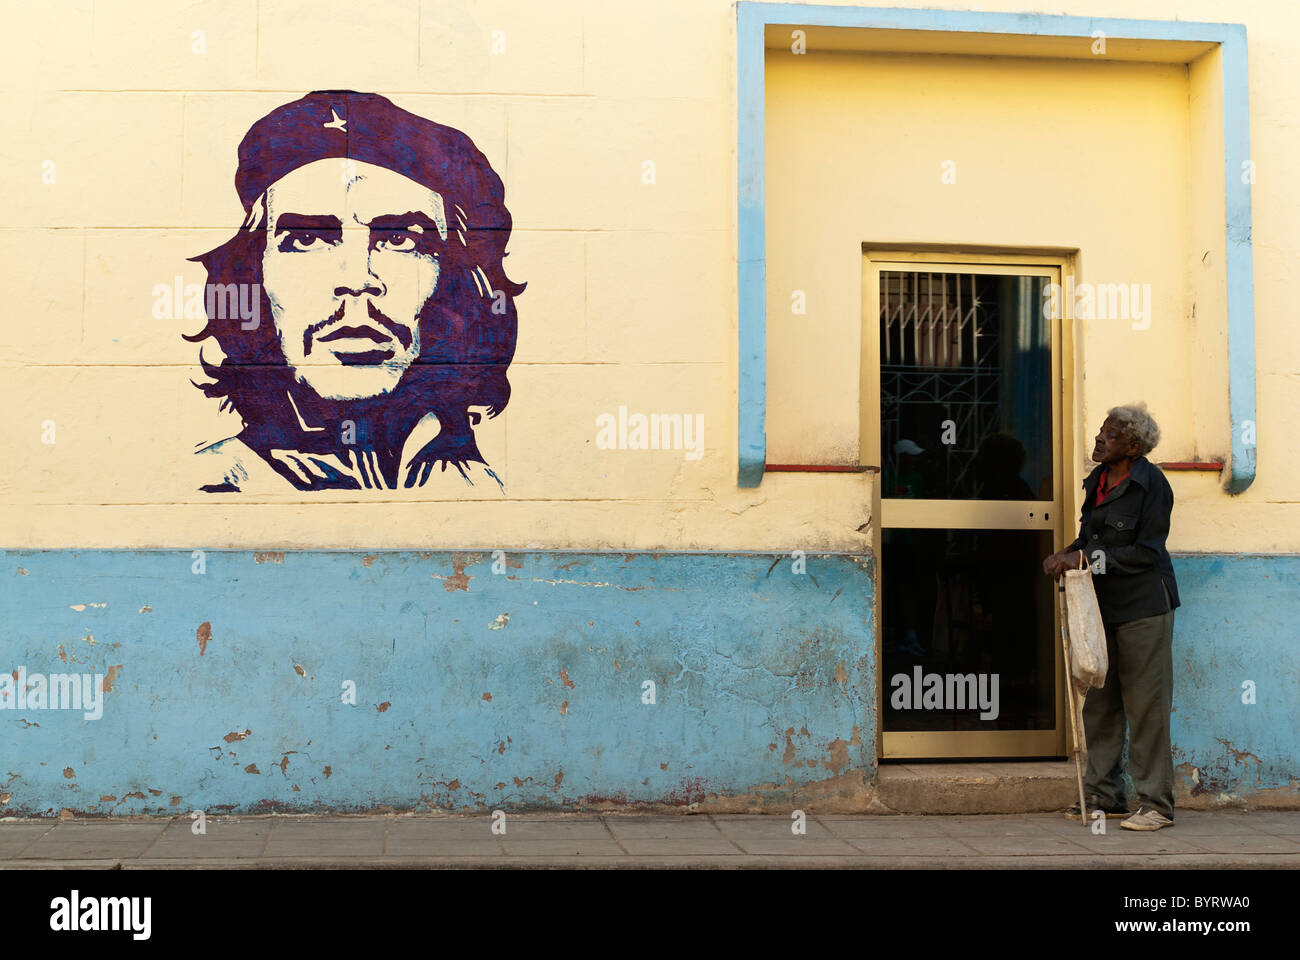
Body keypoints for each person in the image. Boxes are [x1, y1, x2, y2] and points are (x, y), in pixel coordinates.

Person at [185, 90, 524, 492]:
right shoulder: (213, 488)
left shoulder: (485, 492)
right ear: (253, 275)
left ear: (458, 281)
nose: (356, 279)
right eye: (307, 239)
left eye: (400, 240)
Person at [1043, 403, 1180, 830]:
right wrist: (1068, 553)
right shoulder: (1097, 480)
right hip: (1101, 607)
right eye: (1101, 431)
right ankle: (1106, 796)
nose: (1099, 439)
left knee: (1145, 707)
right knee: (1099, 702)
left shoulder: (1151, 485)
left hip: (1143, 608)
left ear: (1133, 446)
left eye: (1110, 434)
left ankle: (1156, 804)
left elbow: (1145, 552)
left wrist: (1086, 556)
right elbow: (1089, 537)